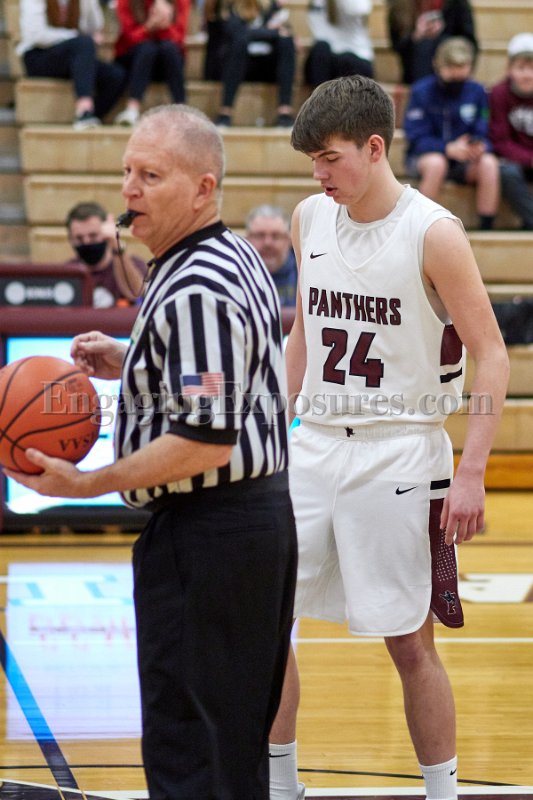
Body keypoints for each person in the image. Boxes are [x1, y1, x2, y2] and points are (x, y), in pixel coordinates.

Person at [6, 104, 297, 800]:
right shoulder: (225, 254)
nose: (128, 189)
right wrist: (134, 359)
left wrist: (86, 484)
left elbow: (203, 439)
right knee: (225, 747)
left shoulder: (196, 285)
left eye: (151, 176)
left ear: (203, 188)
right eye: (127, 171)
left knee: (191, 750)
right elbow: (222, 372)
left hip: (211, 535)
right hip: (242, 529)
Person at [267, 75, 509, 800]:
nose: (318, 173)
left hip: (400, 449)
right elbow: (304, 332)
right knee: (266, 622)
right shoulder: (310, 217)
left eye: (330, 157)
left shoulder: (433, 232)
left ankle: (442, 793)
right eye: (312, 160)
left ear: (374, 148)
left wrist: (471, 472)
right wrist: (275, 429)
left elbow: (492, 354)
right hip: (313, 444)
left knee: (408, 640)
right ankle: (278, 786)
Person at [404, 36, 500, 230]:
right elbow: (415, 137)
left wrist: (478, 145)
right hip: (425, 158)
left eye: (462, 67)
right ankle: (418, 226)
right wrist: (447, 148)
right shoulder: (421, 91)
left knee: (489, 163)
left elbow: (484, 129)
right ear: (437, 64)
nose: (456, 73)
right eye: (450, 67)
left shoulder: (477, 91)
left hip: (464, 160)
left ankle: (487, 227)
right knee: (436, 163)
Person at [16, 0, 126, 129]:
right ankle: (84, 110)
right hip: (39, 57)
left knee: (116, 75)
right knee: (84, 43)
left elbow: (95, 26)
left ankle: (91, 116)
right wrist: (74, 35)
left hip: (73, 58)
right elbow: (36, 36)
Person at [205, 0, 296, 127]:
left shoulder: (272, 7)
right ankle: (225, 112)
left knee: (287, 42)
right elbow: (238, 33)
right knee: (239, 43)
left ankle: (284, 112)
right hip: (238, 67)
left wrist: (267, 32)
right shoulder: (230, 7)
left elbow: (286, 32)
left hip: (267, 66)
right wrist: (273, 33)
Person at [113, 0, 190, 126]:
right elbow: (128, 38)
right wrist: (149, 26)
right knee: (148, 48)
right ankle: (132, 108)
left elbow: (179, 38)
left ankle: (182, 108)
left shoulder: (180, 2)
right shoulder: (125, 2)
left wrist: (165, 23)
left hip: (165, 61)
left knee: (169, 48)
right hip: (134, 60)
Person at [489, 32, 533, 231]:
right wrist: (529, 159)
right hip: (515, 161)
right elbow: (500, 140)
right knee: (506, 172)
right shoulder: (498, 93)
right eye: (521, 68)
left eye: (532, 68)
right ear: (509, 69)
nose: (527, 74)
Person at [65, 202, 147, 307]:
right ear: (71, 239)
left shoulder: (134, 265)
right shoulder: (68, 273)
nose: (86, 242)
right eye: (79, 238)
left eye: (93, 235)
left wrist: (115, 243)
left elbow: (136, 294)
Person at [387, 0, 478, 85]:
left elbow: (469, 42)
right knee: (424, 45)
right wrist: (416, 36)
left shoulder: (457, 3)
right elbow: (396, 46)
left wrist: (443, 33)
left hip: (452, 67)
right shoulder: (400, 5)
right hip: (414, 67)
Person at [304, 0, 374, 89]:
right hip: (327, 59)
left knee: (346, 59)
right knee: (321, 48)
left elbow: (361, 8)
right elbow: (319, 32)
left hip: (355, 55)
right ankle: (320, 94)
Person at [245, 204, 298, 306]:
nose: (268, 243)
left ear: (289, 240)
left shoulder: (305, 273)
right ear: (247, 239)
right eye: (259, 235)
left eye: (276, 236)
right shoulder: (233, 274)